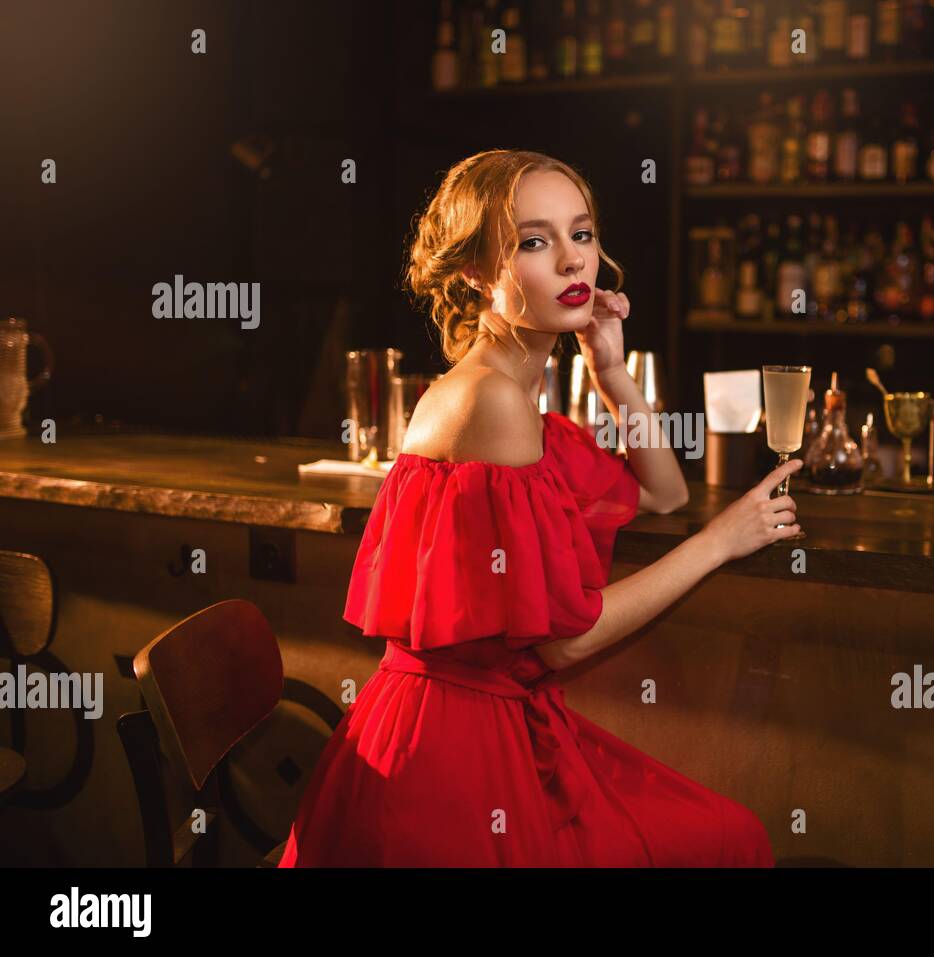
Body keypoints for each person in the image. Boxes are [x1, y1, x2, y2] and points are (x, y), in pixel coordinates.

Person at [279, 149, 802, 867]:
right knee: (726, 836)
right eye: (533, 241)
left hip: (490, 729)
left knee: (723, 831)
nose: (571, 262)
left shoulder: (511, 395)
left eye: (580, 234)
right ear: (473, 272)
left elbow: (662, 490)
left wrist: (612, 370)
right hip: (449, 759)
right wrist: (719, 542)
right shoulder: (491, 402)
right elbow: (567, 640)